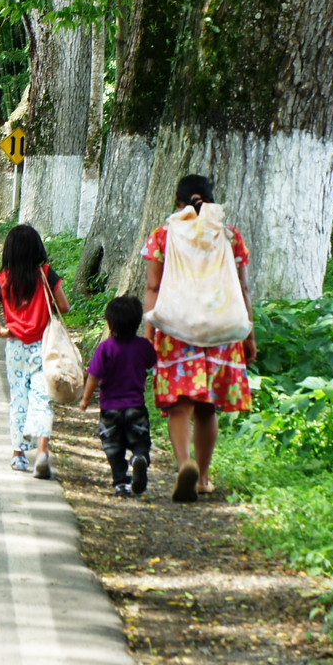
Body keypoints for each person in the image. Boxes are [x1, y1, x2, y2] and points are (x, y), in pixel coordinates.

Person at [142, 174, 256, 503]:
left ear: (177, 203)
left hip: (176, 331)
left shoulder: (162, 236)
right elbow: (243, 289)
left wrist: (150, 331)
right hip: (221, 332)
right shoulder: (230, 237)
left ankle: (184, 465)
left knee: (179, 406)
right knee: (208, 408)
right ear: (212, 201)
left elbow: (152, 287)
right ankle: (203, 478)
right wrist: (249, 334)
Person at [0, 224, 71, 479]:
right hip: (44, 346)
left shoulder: (3, 278)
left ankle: (18, 455)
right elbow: (63, 306)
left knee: (19, 398)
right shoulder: (45, 274)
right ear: (36, 248)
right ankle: (42, 450)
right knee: (42, 398)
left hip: (16, 346)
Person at [79, 296, 158, 496]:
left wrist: (85, 399)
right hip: (136, 407)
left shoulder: (105, 348)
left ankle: (121, 482)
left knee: (113, 447)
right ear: (137, 322)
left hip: (110, 409)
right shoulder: (143, 346)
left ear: (110, 322)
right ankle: (139, 458)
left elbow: (94, 376)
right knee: (141, 440)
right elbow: (152, 363)